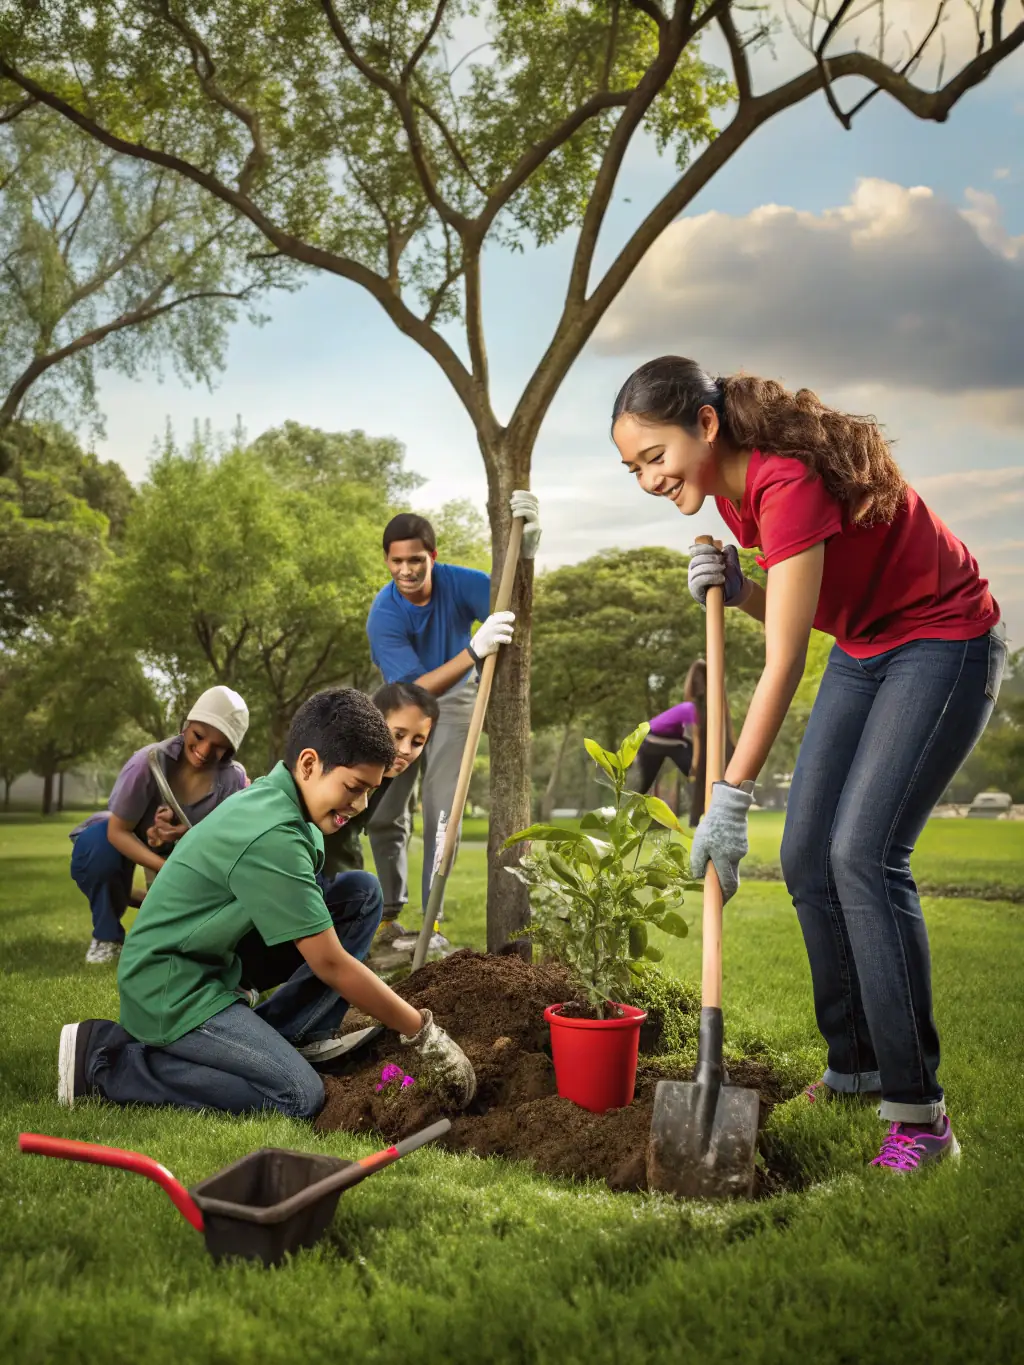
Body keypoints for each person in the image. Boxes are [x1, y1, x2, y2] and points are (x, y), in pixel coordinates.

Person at [612, 356, 1006, 1175]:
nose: (648, 478)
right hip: (869, 644)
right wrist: (738, 585)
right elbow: (811, 602)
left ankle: (921, 1117)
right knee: (805, 854)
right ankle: (855, 1066)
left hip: (944, 637)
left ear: (706, 425)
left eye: (655, 456)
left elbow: (787, 659)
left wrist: (728, 794)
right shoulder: (730, 492)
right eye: (633, 468)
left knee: (863, 853)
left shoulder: (787, 481)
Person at [56, 688, 476, 1118]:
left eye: (371, 791)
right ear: (309, 764)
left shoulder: (288, 805)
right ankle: (109, 1063)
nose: (361, 803)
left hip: (213, 960)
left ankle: (291, 1036)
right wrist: (423, 1033)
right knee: (297, 1096)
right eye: (353, 787)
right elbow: (329, 962)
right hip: (171, 988)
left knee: (359, 895)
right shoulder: (273, 833)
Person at [365, 494, 541, 940]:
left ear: (433, 556)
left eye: (416, 560)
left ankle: (431, 924)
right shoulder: (384, 614)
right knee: (384, 812)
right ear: (386, 560)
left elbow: (511, 603)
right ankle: (388, 915)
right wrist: (472, 652)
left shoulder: (459, 583)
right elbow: (415, 690)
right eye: (397, 561)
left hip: (459, 704)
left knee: (443, 813)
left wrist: (526, 554)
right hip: (401, 707)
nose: (406, 570)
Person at [68, 686, 250, 965]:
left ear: (230, 749)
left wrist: (184, 836)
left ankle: (155, 913)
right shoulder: (147, 762)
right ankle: (107, 936)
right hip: (123, 841)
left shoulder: (233, 781)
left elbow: (223, 841)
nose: (203, 751)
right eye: (198, 736)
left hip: (186, 857)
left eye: (217, 746)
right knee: (99, 848)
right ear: (186, 726)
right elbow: (118, 831)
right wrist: (168, 869)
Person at [318, 681, 440, 880]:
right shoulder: (346, 766)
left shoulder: (386, 772)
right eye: (398, 735)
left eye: (418, 742)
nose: (406, 750)